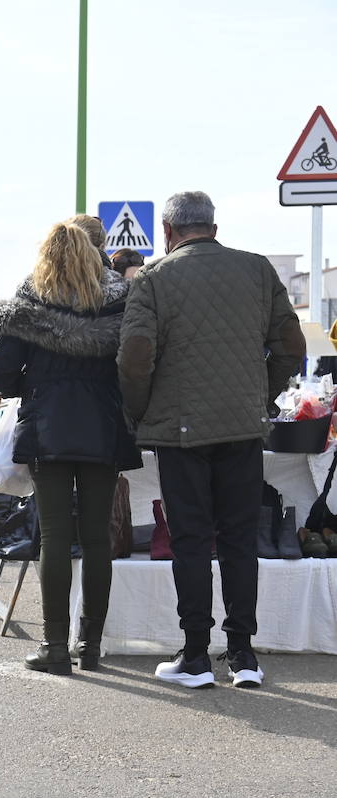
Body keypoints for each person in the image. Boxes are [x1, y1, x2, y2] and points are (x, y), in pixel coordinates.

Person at [119, 191, 305, 689]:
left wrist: (140, 413)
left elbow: (135, 354)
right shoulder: (258, 270)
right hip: (242, 428)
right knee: (241, 540)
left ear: (167, 230)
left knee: (192, 540)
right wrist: (259, 395)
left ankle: (196, 655)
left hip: (180, 433)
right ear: (214, 227)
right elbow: (292, 345)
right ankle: (244, 655)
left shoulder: (154, 279)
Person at [0, 221, 141, 675]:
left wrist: (36, 382)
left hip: (48, 428)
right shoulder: (122, 299)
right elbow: (135, 362)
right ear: (98, 252)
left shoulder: (29, 301)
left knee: (53, 536)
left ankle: (54, 648)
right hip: (105, 426)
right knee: (97, 537)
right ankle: (89, 645)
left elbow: (4, 372)